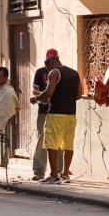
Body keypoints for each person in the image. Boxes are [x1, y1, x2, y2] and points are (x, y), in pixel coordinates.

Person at [30, 49, 82, 184]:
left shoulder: (54, 72)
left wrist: (36, 98)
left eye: (47, 65)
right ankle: (65, 173)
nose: (47, 70)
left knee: (51, 144)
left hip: (55, 114)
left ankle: (53, 174)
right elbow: (78, 95)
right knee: (68, 145)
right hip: (71, 115)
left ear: (51, 62)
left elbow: (48, 92)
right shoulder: (74, 73)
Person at [31, 67, 63, 181]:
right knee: (41, 142)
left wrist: (48, 94)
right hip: (43, 111)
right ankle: (39, 171)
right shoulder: (41, 72)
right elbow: (35, 91)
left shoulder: (59, 73)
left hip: (56, 113)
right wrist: (46, 94)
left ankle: (58, 171)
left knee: (57, 142)